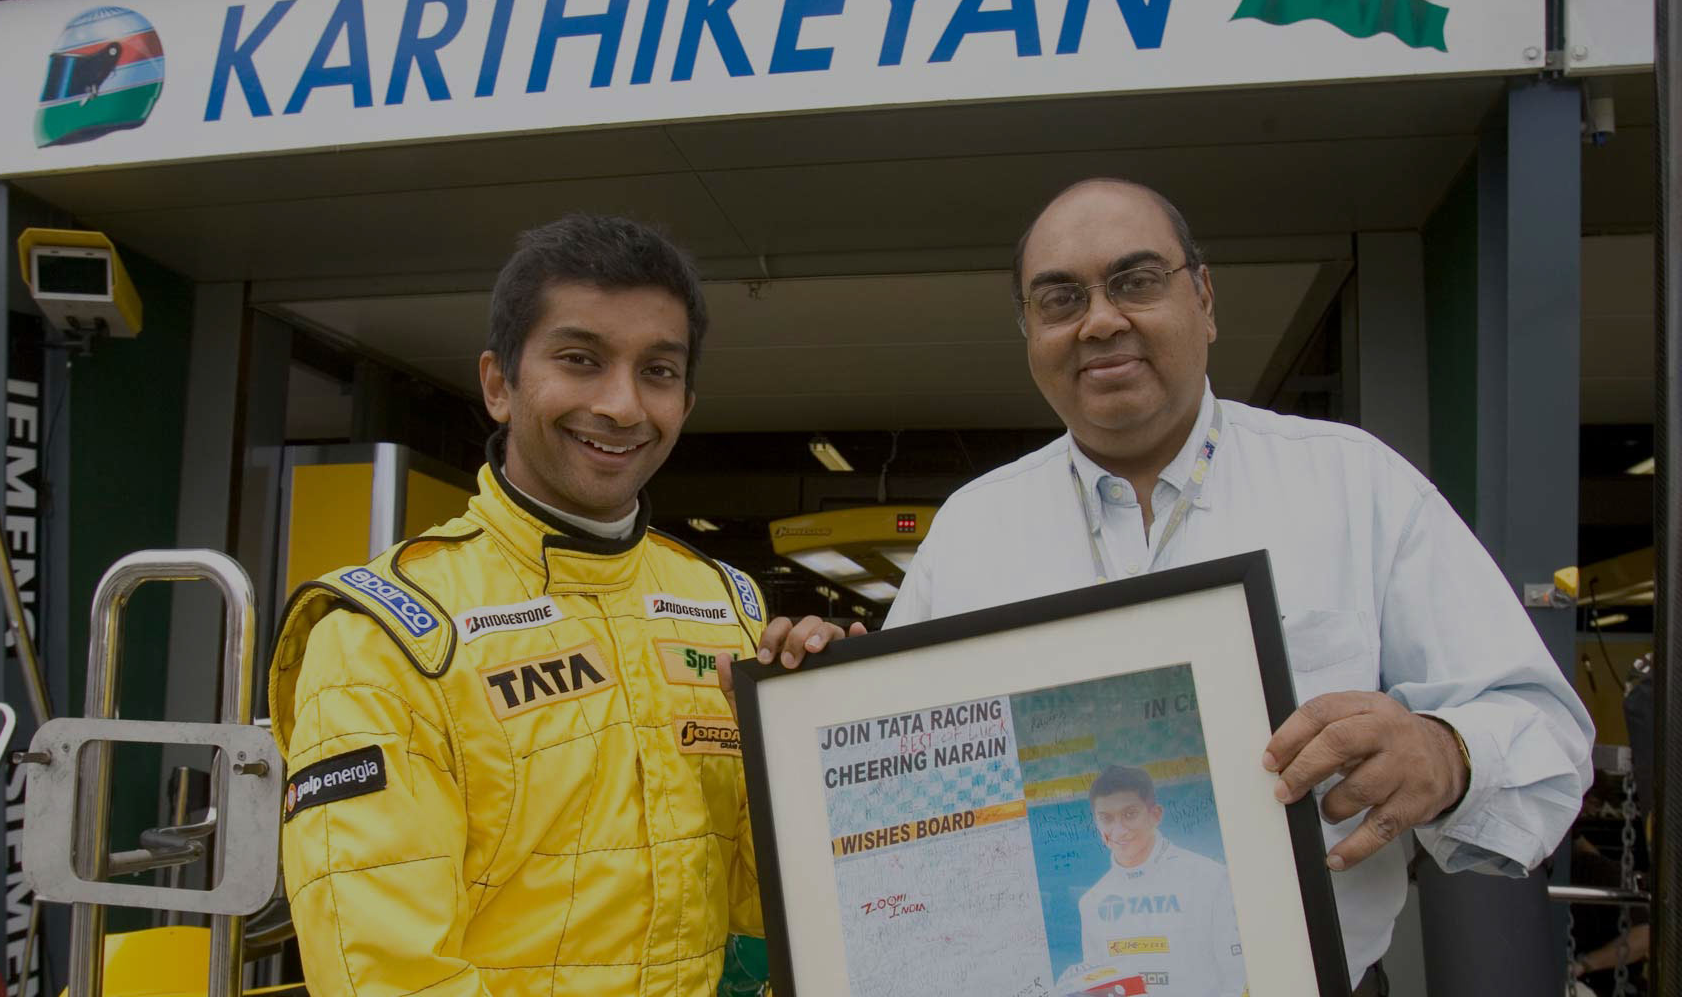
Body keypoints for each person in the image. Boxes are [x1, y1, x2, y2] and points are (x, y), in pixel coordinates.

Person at [883, 178, 1594, 995]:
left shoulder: (1353, 485)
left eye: (1136, 281)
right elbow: (910, 791)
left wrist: (1446, 752)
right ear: (1029, 333)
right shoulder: (971, 530)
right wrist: (818, 690)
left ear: (1205, 299)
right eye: (1059, 299)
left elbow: (1546, 736)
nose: (1101, 319)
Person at [268, 214, 843, 997]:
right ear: (500, 385)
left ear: (687, 398)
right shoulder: (383, 639)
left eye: (659, 371)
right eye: (581, 360)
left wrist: (826, 742)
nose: (621, 405)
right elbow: (388, 977)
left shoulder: (725, 607)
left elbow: (753, 900)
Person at [1069, 765, 1242, 997]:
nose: (1118, 831)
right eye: (1106, 818)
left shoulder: (1211, 879)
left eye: (1129, 814)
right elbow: (1101, 989)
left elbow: (1238, 979)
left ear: (1155, 815)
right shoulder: (1091, 902)